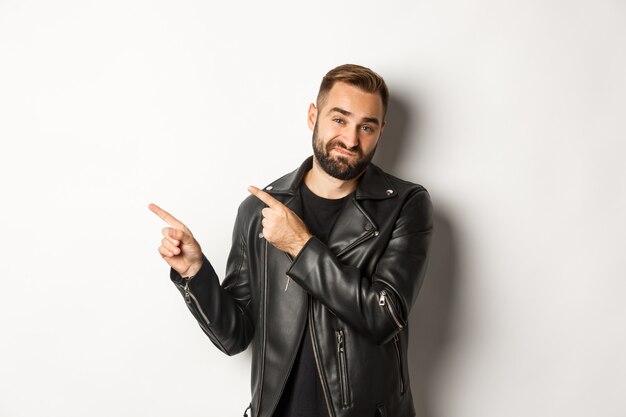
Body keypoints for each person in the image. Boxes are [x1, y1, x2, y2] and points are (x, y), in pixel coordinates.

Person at [149, 64, 433, 417]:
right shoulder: (259, 211)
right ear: (313, 116)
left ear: (381, 132)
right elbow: (235, 336)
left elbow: (384, 315)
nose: (351, 139)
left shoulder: (404, 204)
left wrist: (300, 245)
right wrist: (194, 273)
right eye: (339, 120)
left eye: (367, 126)